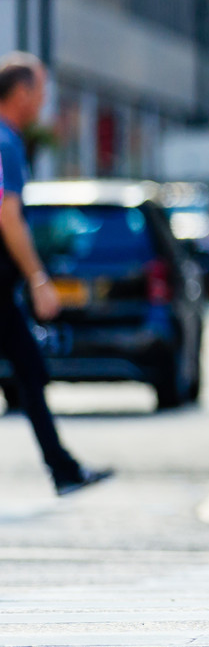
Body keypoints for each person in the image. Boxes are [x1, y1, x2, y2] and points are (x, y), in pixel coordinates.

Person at [0, 54, 112, 496]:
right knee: (29, 370)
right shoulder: (7, 142)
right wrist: (38, 277)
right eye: (42, 92)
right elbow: (8, 218)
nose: (44, 102)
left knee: (29, 369)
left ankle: (63, 468)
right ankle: (63, 469)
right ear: (22, 93)